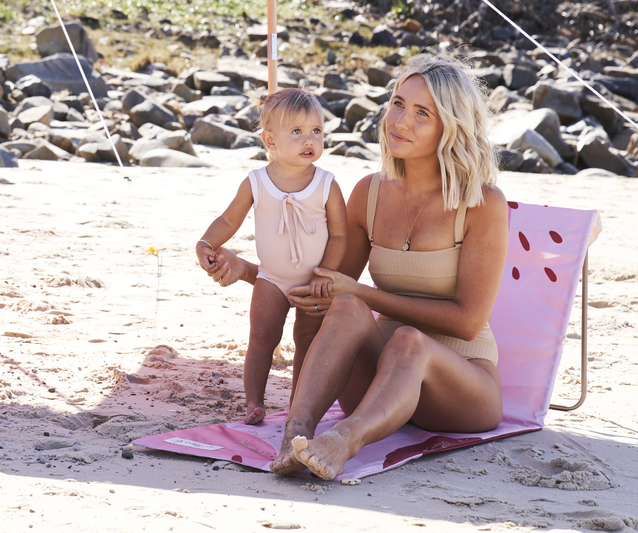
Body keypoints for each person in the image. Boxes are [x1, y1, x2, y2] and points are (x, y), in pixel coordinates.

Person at [206, 54, 508, 479]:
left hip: (461, 390)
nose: (400, 121)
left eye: (423, 113)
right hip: (380, 380)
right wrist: (246, 269)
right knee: (342, 308)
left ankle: (343, 439)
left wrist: (364, 293)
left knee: (406, 339)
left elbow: (468, 322)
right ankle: (297, 433)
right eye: (399, 104)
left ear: (451, 125)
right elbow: (321, 290)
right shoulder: (369, 192)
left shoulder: (482, 203)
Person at [196, 88, 348, 425]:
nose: (309, 139)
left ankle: (298, 404)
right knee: (262, 336)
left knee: (308, 340)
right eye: (296, 131)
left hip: (314, 282)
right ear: (270, 140)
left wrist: (327, 274)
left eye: (316, 131)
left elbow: (340, 235)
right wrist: (206, 242)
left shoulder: (326, 184)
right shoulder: (257, 181)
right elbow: (228, 220)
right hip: (271, 279)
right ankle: (254, 403)